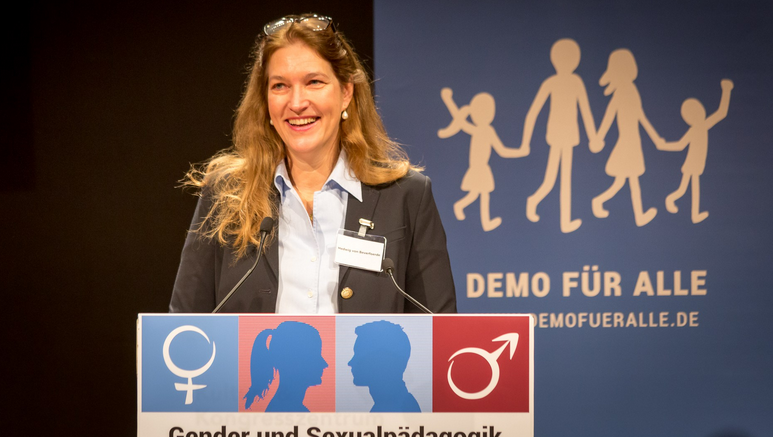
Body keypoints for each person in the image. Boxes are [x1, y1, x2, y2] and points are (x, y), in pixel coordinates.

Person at [169, 14, 456, 314]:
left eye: (314, 82)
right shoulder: (225, 194)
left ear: (346, 92)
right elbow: (184, 327)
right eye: (280, 86)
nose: (296, 103)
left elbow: (438, 328)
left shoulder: (406, 196)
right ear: (265, 100)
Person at [243, 321, 327, 411]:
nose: (324, 364)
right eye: (315, 356)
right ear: (294, 362)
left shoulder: (282, 407)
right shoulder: (286, 410)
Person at [348, 320, 420, 412]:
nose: (350, 362)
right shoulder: (389, 406)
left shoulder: (398, 409)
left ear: (380, 361)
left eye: (359, 355)